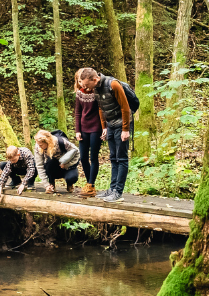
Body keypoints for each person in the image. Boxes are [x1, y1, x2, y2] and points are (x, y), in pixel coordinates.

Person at [76, 67, 136, 201]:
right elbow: (101, 107)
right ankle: (112, 189)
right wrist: (104, 127)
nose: (85, 88)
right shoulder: (96, 88)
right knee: (113, 158)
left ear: (95, 79)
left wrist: (125, 129)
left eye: (86, 85)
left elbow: (125, 107)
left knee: (121, 158)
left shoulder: (113, 84)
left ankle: (118, 192)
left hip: (121, 125)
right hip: (110, 125)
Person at [73, 70, 103, 198]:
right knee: (83, 157)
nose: (83, 85)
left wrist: (104, 128)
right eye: (81, 83)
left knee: (93, 157)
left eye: (84, 83)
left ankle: (91, 184)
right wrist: (77, 130)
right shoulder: (79, 93)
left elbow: (102, 111)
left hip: (96, 128)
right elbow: (78, 112)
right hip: (83, 128)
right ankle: (89, 183)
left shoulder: (97, 92)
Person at [34, 129, 81, 193]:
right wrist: (46, 185)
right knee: (50, 161)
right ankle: (51, 183)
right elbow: (39, 165)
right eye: (38, 144)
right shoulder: (38, 146)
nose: (39, 146)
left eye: (41, 145)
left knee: (72, 177)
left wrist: (68, 165)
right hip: (53, 166)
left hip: (66, 165)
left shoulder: (61, 142)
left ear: (47, 142)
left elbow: (77, 152)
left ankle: (70, 184)